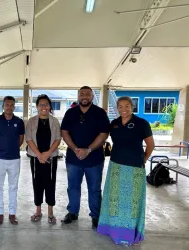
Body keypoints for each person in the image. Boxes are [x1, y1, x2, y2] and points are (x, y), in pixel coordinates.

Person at [97, 96, 155, 246]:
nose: (124, 109)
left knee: (132, 202)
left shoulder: (142, 123)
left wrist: (144, 159)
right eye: (120, 106)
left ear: (132, 107)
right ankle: (113, 229)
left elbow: (150, 145)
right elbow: (102, 135)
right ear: (117, 108)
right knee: (115, 199)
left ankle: (129, 232)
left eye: (127, 106)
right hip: (116, 166)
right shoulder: (114, 124)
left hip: (135, 168)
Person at [61, 86, 110, 229]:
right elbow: (64, 132)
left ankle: (96, 215)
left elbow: (104, 134)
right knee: (73, 187)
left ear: (92, 96)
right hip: (73, 158)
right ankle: (72, 212)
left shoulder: (100, 113)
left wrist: (88, 150)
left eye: (87, 94)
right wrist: (76, 149)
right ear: (78, 96)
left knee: (94, 189)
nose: (84, 96)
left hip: (94, 159)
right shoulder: (70, 113)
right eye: (81, 94)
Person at [25, 94, 61, 224]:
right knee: (37, 183)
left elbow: (58, 139)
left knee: (51, 184)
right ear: (37, 107)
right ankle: (38, 211)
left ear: (50, 106)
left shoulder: (55, 121)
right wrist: (39, 155)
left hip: (51, 158)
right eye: (41, 105)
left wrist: (47, 154)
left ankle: (50, 212)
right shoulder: (32, 121)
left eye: (46, 104)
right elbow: (28, 138)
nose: (44, 107)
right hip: (36, 158)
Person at [0, 96, 25, 225]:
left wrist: (13, 149)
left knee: (13, 187)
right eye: (7, 105)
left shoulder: (19, 122)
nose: (9, 107)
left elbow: (21, 139)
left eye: (11, 105)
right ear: (3, 106)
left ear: (14, 107)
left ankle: (12, 213)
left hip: (14, 159)